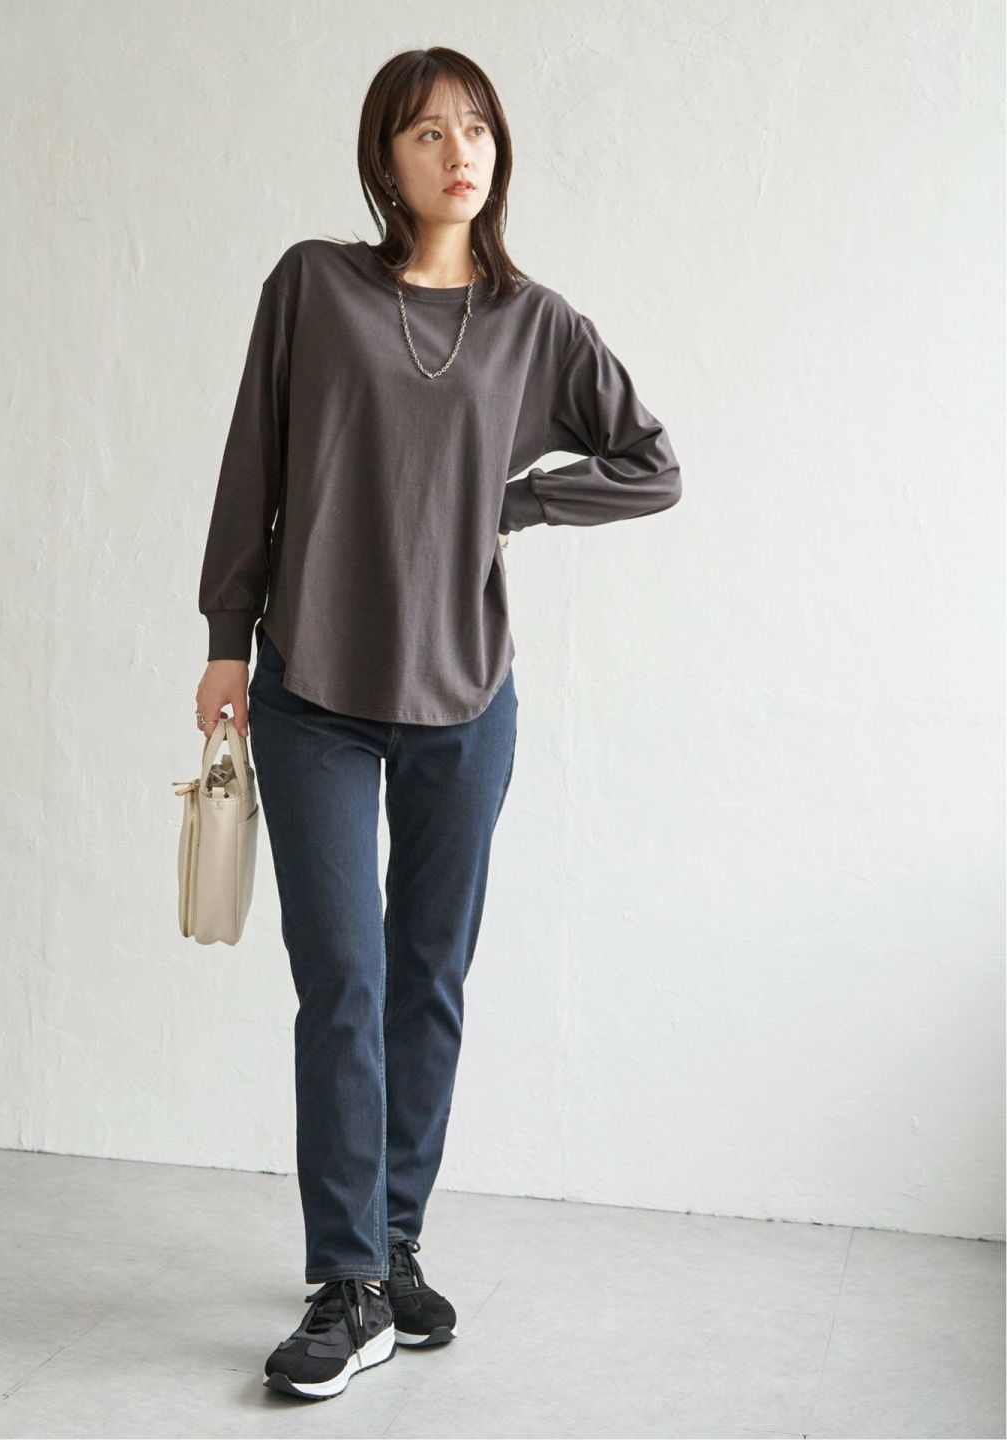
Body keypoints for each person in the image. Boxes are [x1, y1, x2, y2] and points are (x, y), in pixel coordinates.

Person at [194, 46, 682, 1402]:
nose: (458, 152)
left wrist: (516, 500)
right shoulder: (314, 286)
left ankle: (393, 1242)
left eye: (475, 128)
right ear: (384, 160)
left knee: (428, 978)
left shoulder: (535, 325)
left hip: (465, 698)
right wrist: (226, 634)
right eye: (425, 133)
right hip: (311, 689)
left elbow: (650, 465)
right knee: (341, 981)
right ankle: (347, 1281)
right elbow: (251, 463)